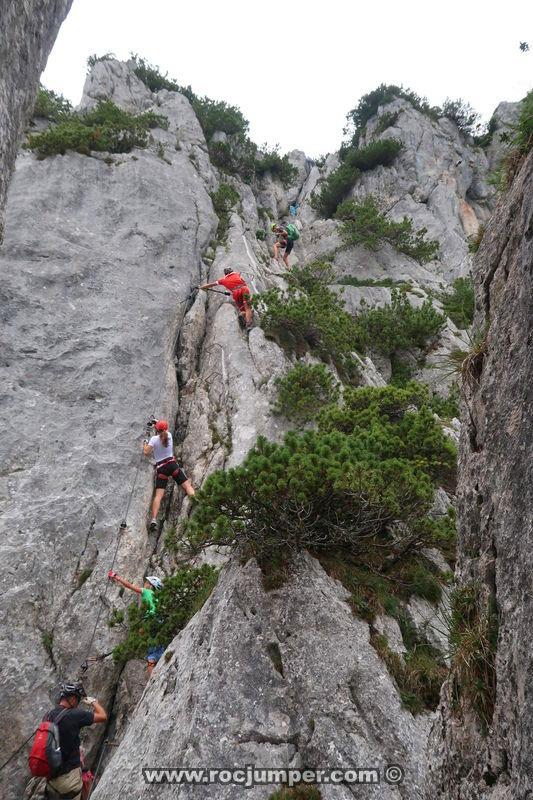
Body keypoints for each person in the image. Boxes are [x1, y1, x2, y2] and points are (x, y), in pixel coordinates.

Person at [45, 682, 107, 800]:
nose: (77, 704)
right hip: (69, 779)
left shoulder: (48, 715)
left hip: (51, 777)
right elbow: (103, 716)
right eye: (77, 700)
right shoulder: (75, 714)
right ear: (73, 699)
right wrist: (94, 702)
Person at [143, 420, 195, 531]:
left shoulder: (154, 440)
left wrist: (144, 443)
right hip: (172, 465)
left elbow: (146, 452)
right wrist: (157, 422)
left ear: (157, 429)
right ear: (165, 429)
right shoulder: (169, 436)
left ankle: (153, 520)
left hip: (162, 469)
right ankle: (196, 499)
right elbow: (163, 430)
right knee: (187, 486)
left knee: (158, 496)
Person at [108, 573, 164, 675]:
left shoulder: (146, 591)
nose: (145, 584)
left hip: (150, 620)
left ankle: (152, 678)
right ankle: (162, 665)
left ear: (151, 585)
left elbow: (129, 586)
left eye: (147, 582)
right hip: (160, 620)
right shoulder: (157, 597)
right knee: (159, 647)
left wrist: (117, 577)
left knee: (151, 653)